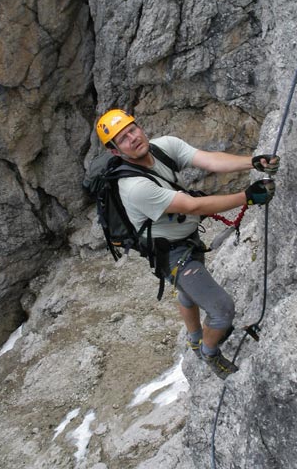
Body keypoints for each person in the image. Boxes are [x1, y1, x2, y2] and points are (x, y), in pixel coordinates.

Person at [95, 109, 278, 379]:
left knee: (187, 293)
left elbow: (211, 161)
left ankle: (194, 338)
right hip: (171, 254)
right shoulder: (134, 186)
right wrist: (247, 197)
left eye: (132, 129)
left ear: (139, 126)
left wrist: (252, 163)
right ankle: (209, 352)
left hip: (186, 238)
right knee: (223, 310)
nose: (132, 138)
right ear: (115, 151)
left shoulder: (163, 147)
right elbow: (193, 205)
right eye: (123, 139)